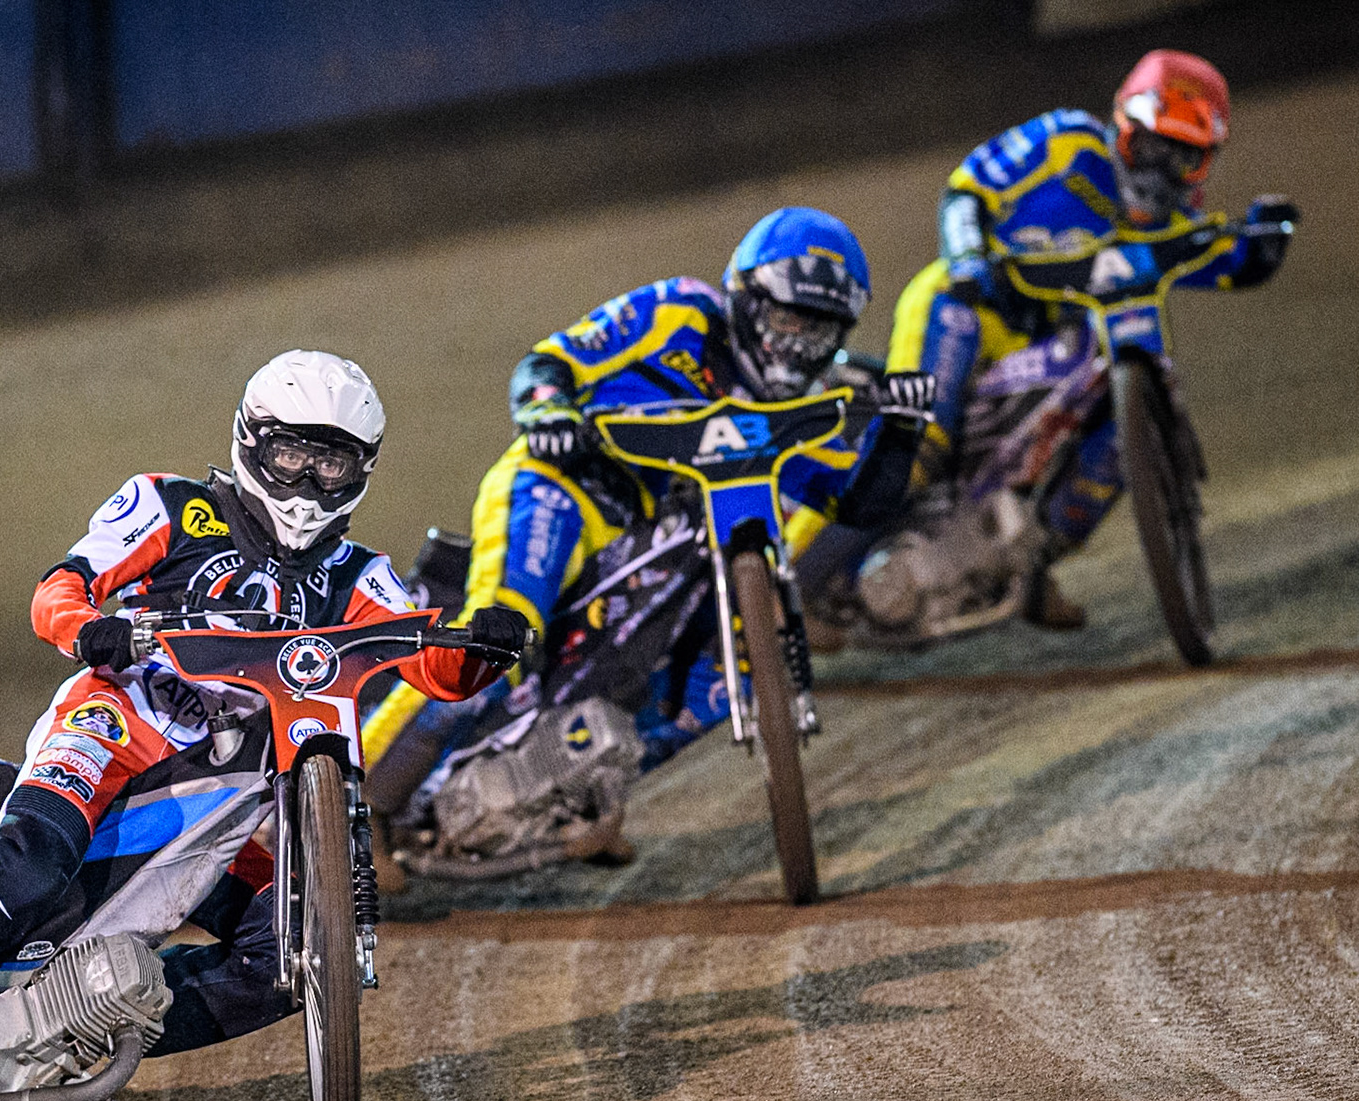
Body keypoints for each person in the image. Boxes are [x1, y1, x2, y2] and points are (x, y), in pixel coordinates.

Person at [0, 350, 526, 1101]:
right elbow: (59, 588)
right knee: (30, 865)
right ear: (252, 440)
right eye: (293, 455)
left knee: (285, 953)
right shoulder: (170, 507)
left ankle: (68, 1035)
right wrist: (89, 628)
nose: (309, 482)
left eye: (330, 461)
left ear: (361, 471)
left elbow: (426, 662)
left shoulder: (357, 574)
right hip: (111, 730)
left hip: (214, 797)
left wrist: (485, 640)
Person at [362, 208, 932, 823]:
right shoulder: (677, 311)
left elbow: (856, 505)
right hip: (564, 487)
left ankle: (576, 800)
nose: (796, 345)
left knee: (721, 678)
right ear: (746, 297)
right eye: (788, 319)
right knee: (501, 631)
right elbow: (550, 363)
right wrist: (547, 410)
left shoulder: (796, 406)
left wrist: (900, 432)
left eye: (818, 332)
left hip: (669, 536)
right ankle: (360, 810)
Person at [886, 48, 1297, 626]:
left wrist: (1263, 245)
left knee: (1122, 434)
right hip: (969, 310)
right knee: (920, 449)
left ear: (1206, 164)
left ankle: (1027, 563)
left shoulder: (1173, 226)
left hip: (1055, 349)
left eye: (1182, 158)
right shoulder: (1064, 141)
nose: (1159, 173)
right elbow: (965, 191)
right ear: (1121, 126)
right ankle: (832, 538)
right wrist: (967, 257)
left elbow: (1227, 263)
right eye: (1151, 147)